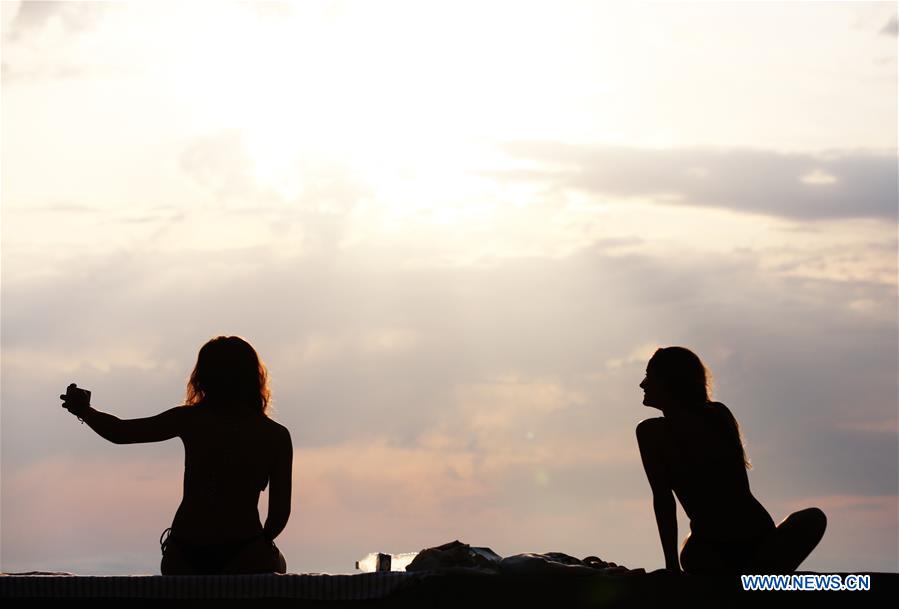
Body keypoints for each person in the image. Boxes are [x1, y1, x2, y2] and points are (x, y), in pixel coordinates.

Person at [60, 336, 292, 575]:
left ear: (203, 377)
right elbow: (278, 516)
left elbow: (120, 432)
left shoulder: (190, 419)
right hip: (244, 552)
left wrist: (84, 411)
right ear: (254, 378)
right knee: (278, 565)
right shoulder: (276, 435)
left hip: (186, 551)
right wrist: (259, 543)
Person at [636, 346, 826, 574]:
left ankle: (760, 579)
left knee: (812, 518)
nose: (643, 384)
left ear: (670, 382)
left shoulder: (654, 432)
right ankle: (765, 578)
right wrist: (672, 566)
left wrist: (672, 566)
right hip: (743, 541)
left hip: (728, 546)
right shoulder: (716, 415)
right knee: (813, 519)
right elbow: (664, 501)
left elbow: (664, 501)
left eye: (650, 376)